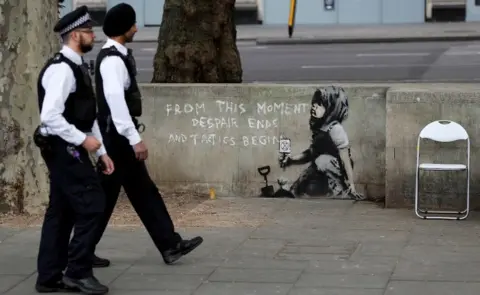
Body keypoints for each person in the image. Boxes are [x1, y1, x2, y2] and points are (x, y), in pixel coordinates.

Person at [91, 2, 203, 268]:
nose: (136, 28)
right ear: (123, 29)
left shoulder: (116, 56)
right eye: (132, 24)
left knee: (141, 192)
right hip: (116, 139)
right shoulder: (112, 61)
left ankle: (170, 244)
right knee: (110, 197)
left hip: (116, 137)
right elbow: (116, 104)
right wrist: (134, 139)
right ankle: (79, 250)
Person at [34, 5, 114, 295]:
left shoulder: (76, 66)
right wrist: (84, 141)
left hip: (70, 147)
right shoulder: (61, 71)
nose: (94, 35)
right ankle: (77, 272)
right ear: (75, 35)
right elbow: (50, 117)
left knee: (62, 211)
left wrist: (102, 151)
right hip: (63, 148)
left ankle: (49, 276)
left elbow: (86, 114)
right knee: (93, 205)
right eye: (89, 31)